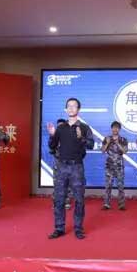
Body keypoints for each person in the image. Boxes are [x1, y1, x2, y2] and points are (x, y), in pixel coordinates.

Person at [47, 98, 94, 240]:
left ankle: (78, 228)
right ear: (66, 109)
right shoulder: (61, 128)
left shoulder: (84, 127)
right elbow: (52, 146)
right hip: (61, 167)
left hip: (76, 167)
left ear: (78, 109)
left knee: (79, 199)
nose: (71, 108)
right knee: (59, 199)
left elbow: (91, 145)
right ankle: (59, 228)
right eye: (69, 106)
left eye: (74, 106)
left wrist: (81, 138)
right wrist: (52, 135)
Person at [102, 121, 128, 210]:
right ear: (111, 128)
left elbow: (125, 151)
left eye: (117, 127)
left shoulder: (123, 140)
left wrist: (117, 143)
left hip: (119, 166)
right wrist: (107, 143)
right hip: (109, 166)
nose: (115, 129)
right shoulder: (107, 138)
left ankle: (121, 204)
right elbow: (102, 150)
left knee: (120, 186)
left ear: (119, 129)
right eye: (113, 127)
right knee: (108, 186)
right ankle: (106, 204)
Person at [48, 119, 73, 209]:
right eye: (58, 126)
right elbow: (51, 148)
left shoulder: (70, 137)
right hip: (57, 164)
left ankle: (66, 202)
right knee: (57, 183)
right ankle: (56, 203)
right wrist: (52, 136)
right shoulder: (54, 137)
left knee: (67, 183)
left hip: (68, 164)